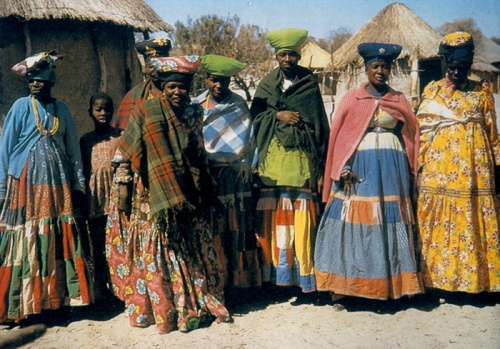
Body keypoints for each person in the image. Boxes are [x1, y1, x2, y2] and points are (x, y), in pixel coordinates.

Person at [111, 55, 231, 334]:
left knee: (188, 247)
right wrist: (123, 188)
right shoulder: (147, 110)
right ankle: (160, 310)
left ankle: (189, 306)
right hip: (153, 190)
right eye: (172, 87)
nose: (177, 92)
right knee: (160, 247)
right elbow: (124, 152)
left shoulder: (194, 113)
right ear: (162, 88)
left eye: (183, 87)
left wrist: (206, 186)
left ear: (189, 89)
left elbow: (198, 150)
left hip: (187, 187)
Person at [315, 43, 423, 306]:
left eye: (385, 67)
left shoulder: (398, 99)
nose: (380, 71)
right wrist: (344, 168)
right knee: (354, 221)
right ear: (366, 69)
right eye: (375, 66)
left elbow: (411, 133)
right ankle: (348, 287)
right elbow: (341, 136)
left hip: (391, 168)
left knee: (389, 219)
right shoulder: (352, 98)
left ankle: (390, 288)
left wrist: (413, 167)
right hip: (359, 168)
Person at [0, 51, 91, 324]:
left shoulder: (61, 109)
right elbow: (5, 150)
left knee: (55, 241)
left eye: (40, 80)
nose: (35, 84)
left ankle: (56, 302)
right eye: (31, 80)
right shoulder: (20, 107)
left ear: (51, 82)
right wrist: (1, 190)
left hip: (57, 188)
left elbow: (73, 150)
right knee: (25, 242)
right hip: (25, 186)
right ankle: (21, 305)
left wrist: (79, 184)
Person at [416, 32, 500, 294]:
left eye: (462, 68)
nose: (456, 73)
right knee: (437, 219)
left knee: (472, 220)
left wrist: (497, 165)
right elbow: (423, 129)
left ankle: (476, 284)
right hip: (438, 170)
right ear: (445, 65)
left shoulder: (481, 92)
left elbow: (492, 133)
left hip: (475, 171)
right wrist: (419, 165)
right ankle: (435, 283)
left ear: (469, 66)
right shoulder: (432, 89)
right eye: (452, 68)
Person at [250, 28, 330, 303]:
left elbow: (318, 122)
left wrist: (320, 166)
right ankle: (275, 283)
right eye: (282, 54)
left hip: (301, 162)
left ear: (298, 56)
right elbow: (256, 116)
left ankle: (303, 283)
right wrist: (278, 115)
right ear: (276, 56)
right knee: (274, 225)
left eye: (292, 54)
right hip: (273, 165)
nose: (287, 59)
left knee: (302, 225)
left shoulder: (308, 82)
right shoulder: (266, 85)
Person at [106, 39, 171, 302]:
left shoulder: (176, 94)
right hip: (139, 182)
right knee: (143, 238)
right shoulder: (133, 97)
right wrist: (123, 184)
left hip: (168, 178)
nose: (153, 70)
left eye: (159, 63)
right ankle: (145, 296)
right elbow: (123, 146)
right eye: (149, 64)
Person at [193, 54, 261, 295]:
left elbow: (249, 140)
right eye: (214, 80)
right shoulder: (196, 106)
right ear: (206, 80)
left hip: (234, 176)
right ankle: (215, 283)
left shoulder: (238, 104)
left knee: (238, 227)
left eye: (224, 81)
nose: (219, 86)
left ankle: (240, 285)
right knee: (214, 228)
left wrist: (244, 163)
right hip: (209, 176)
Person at [80, 92, 121, 302]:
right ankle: (102, 291)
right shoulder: (86, 140)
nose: (103, 113)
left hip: (117, 200)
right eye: (98, 109)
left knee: (118, 244)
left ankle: (121, 289)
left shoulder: (120, 137)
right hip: (95, 202)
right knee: (98, 245)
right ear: (90, 113)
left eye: (107, 109)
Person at [110, 37, 171, 129]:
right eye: (152, 66)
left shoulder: (176, 91)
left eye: (161, 65)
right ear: (145, 68)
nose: (156, 71)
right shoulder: (134, 95)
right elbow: (124, 131)